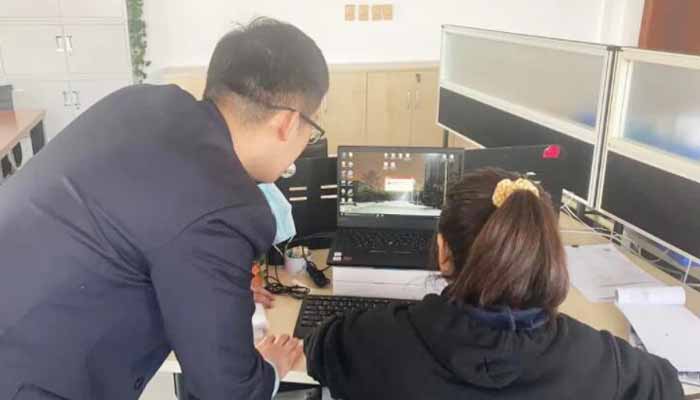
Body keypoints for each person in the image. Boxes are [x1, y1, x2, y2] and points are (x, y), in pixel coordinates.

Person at [0, 17, 328, 400]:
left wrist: (217, 290)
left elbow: (142, 231)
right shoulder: (226, 203)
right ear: (287, 123)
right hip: (32, 376)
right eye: (312, 129)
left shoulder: (142, 102)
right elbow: (225, 391)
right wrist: (269, 368)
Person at [305, 168, 683, 400]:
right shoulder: (603, 363)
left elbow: (318, 350)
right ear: (544, 253)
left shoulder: (373, 340)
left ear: (443, 252)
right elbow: (667, 386)